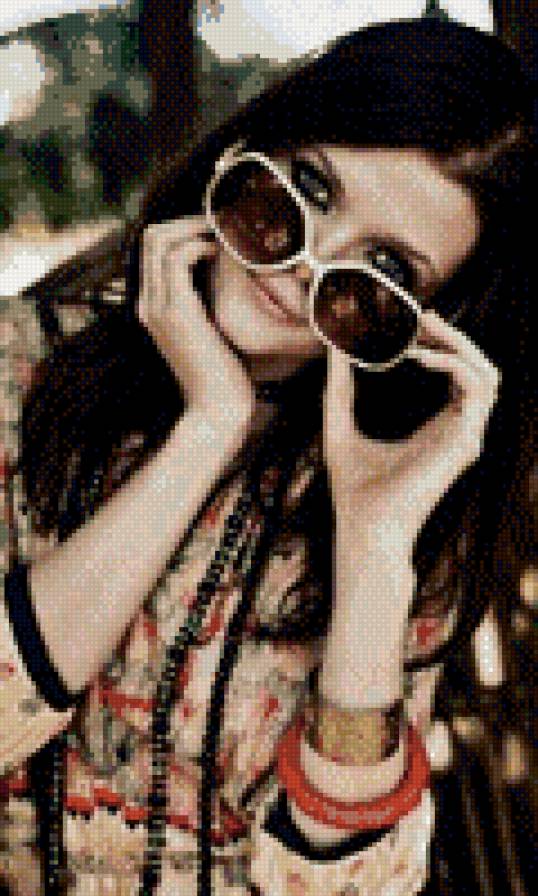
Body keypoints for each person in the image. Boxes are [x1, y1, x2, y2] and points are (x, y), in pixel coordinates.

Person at [0, 16, 535, 896]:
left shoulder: (395, 502)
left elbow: (351, 889)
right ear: (249, 151)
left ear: (431, 327)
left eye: (383, 268)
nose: (304, 265)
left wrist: (373, 554)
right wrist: (208, 429)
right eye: (310, 190)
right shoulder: (19, 367)